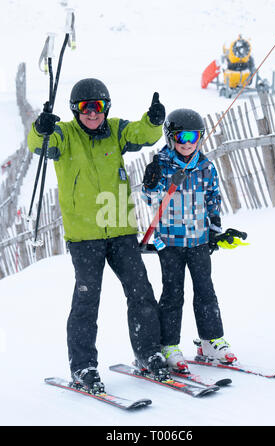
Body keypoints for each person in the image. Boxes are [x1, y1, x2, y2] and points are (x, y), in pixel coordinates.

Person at [27, 78, 171, 392]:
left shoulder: (116, 131)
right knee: (87, 302)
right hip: (84, 237)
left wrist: (154, 120)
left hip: (120, 229)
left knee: (141, 293)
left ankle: (149, 353)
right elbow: (38, 145)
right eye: (85, 108)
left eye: (98, 107)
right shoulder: (63, 135)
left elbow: (142, 134)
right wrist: (41, 128)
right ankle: (83, 367)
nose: (92, 113)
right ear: (75, 110)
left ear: (106, 108)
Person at [142, 108, 237, 373]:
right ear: (171, 137)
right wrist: (151, 184)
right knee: (173, 293)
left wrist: (215, 230)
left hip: (198, 241)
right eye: (181, 136)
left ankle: (211, 340)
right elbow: (150, 199)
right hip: (169, 242)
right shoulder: (161, 165)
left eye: (193, 136)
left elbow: (212, 199)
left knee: (205, 290)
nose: (187, 142)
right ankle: (169, 344)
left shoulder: (206, 166)